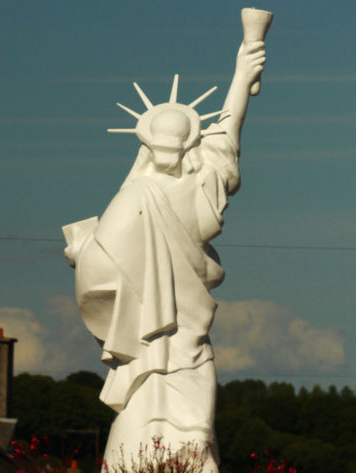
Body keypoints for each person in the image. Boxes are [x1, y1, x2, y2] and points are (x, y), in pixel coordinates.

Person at [63, 41, 266, 473]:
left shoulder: (134, 196)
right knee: (188, 432)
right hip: (184, 345)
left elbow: (99, 270)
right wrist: (241, 77)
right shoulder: (198, 187)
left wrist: (80, 251)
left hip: (153, 346)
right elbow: (226, 136)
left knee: (150, 431)